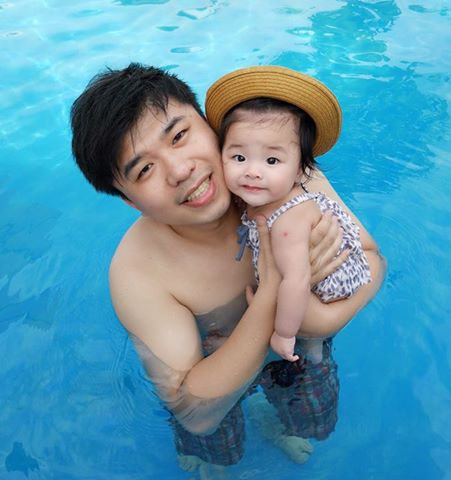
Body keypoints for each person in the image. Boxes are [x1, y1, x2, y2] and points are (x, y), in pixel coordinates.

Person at [70, 63, 385, 475]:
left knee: (313, 423)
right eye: (145, 170)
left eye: (179, 136)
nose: (180, 170)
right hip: (216, 370)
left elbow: (373, 259)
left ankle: (278, 425)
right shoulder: (139, 274)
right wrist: (274, 291)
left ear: (209, 124)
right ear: (129, 200)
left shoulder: (279, 172)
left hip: (294, 345)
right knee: (213, 448)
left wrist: (320, 321)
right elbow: (193, 411)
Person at [205, 66, 371, 363]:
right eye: (239, 157)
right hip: (324, 277)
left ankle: (307, 344)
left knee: (291, 303)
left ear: (300, 171)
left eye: (271, 160)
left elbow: (297, 281)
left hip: (323, 290)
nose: (253, 171)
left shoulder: (287, 222)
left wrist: (283, 334)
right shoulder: (268, 197)